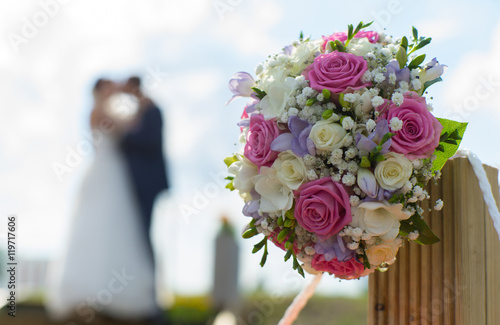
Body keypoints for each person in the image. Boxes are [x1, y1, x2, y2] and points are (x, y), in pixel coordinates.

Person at [46, 78, 161, 323]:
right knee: (99, 229)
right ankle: (95, 296)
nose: (114, 89)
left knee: (113, 231)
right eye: (109, 86)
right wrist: (140, 102)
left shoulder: (103, 109)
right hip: (106, 173)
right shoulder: (101, 111)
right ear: (101, 90)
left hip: (114, 175)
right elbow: (129, 127)